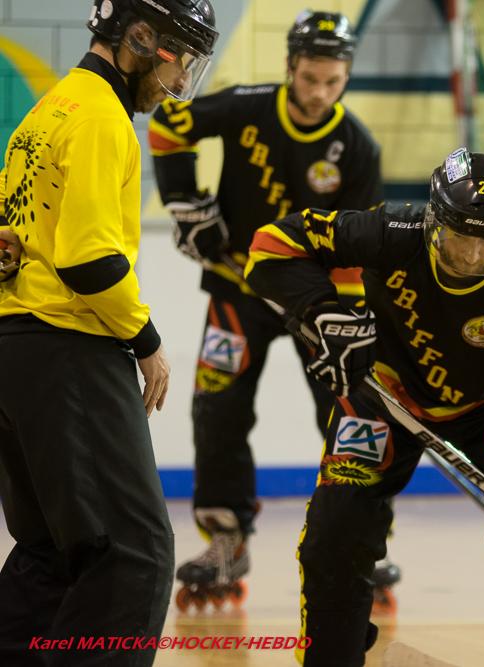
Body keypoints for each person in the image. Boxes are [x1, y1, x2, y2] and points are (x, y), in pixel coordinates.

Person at [244, 148, 484, 666]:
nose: (473, 256)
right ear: (433, 220)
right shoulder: (389, 231)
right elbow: (271, 245)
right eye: (460, 237)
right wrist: (320, 311)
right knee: (334, 536)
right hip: (382, 396)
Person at [0, 0, 218, 664]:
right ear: (140, 37)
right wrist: (147, 342)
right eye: (179, 58)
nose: (178, 80)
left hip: (17, 348)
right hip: (67, 344)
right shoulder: (100, 117)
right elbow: (88, 259)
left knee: (52, 553)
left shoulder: (48, 110)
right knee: (136, 554)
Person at [148, 10, 386, 610]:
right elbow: (168, 126)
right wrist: (185, 203)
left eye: (333, 82)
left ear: (347, 76)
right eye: (309, 78)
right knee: (217, 410)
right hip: (238, 289)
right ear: (289, 67)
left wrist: (351, 323)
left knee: (348, 413)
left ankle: (359, 537)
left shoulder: (359, 147)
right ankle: (226, 539)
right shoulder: (246, 106)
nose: (320, 93)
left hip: (316, 302)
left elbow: (359, 253)